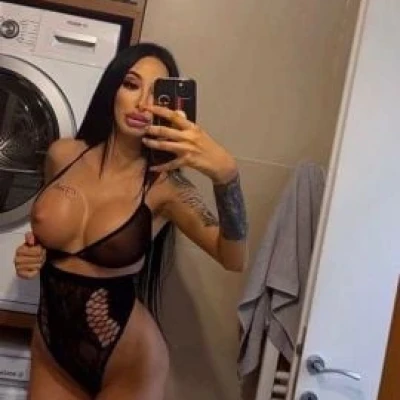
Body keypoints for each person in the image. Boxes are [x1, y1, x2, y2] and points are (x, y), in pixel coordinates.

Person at [13, 42, 248, 400]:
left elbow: (234, 258)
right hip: (52, 348)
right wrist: (32, 254)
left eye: (157, 93)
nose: (142, 104)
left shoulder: (167, 187)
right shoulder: (63, 154)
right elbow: (52, 236)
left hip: (129, 360)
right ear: (113, 89)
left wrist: (227, 177)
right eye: (131, 84)